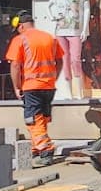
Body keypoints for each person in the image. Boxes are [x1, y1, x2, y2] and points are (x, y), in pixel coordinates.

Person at [5, 11, 65, 166]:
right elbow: (60, 61)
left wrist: (17, 87)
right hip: (48, 86)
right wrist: (53, 78)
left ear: (21, 26)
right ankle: (36, 147)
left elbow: (15, 66)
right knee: (42, 118)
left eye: (17, 29)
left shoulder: (20, 39)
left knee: (32, 119)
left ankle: (46, 149)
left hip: (31, 86)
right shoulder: (50, 38)